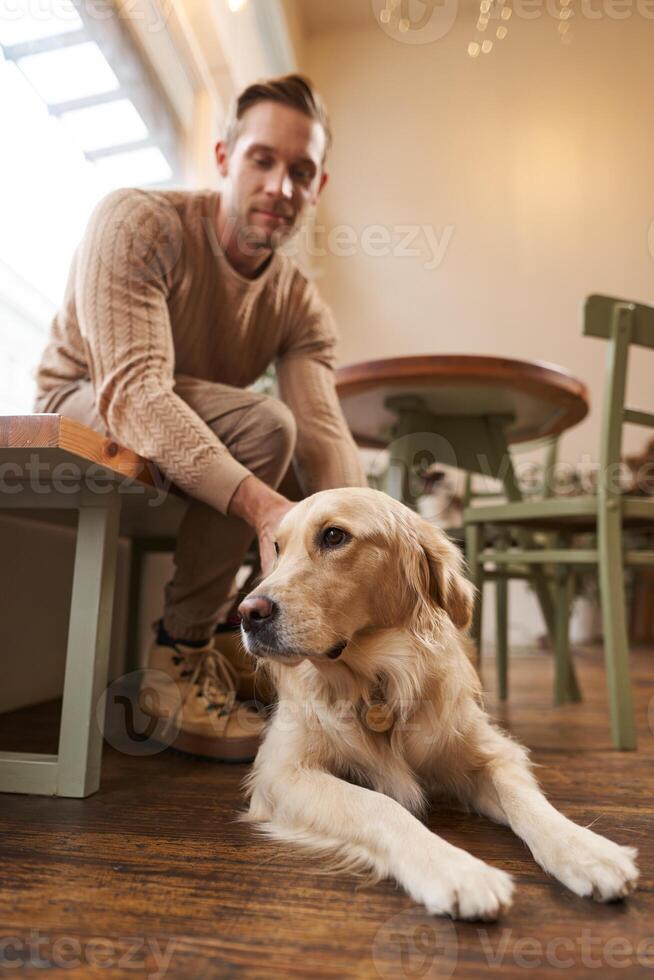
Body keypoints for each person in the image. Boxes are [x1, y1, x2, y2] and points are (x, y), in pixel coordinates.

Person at [33, 74, 366, 763]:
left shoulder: (299, 303)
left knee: (312, 471)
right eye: (263, 160)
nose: (281, 187)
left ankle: (230, 640)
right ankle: (177, 658)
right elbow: (134, 392)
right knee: (266, 428)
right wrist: (261, 508)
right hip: (85, 397)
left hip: (191, 428)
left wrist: (366, 544)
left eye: (301, 171)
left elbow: (326, 439)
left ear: (319, 186)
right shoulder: (138, 221)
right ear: (224, 157)